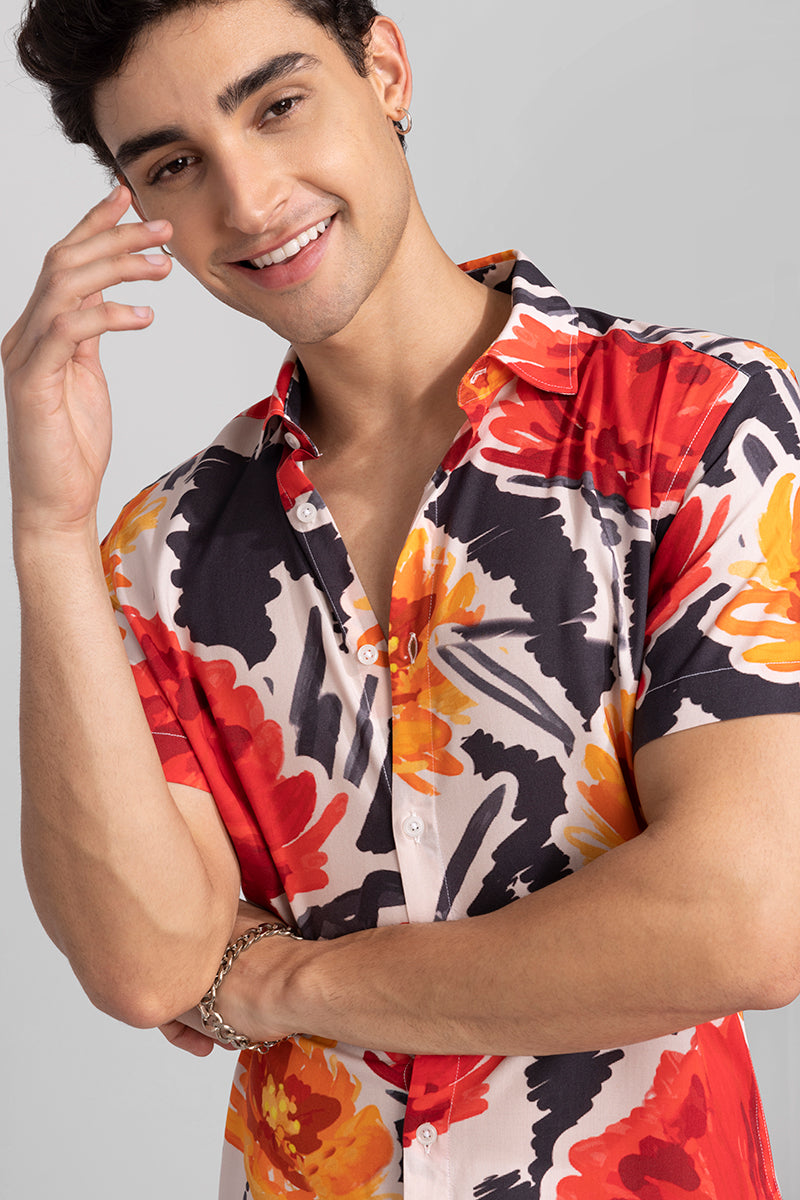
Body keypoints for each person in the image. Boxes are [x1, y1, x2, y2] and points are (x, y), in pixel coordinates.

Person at [5, 0, 800, 1196]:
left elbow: (739, 918)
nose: (249, 199)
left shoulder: (697, 422)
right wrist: (47, 528)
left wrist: (281, 982)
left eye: (278, 105)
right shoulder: (157, 555)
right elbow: (144, 964)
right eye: (174, 166)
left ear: (383, 69)